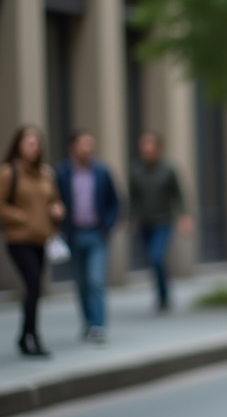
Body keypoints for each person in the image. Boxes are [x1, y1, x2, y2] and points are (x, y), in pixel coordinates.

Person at [0, 125, 66, 357]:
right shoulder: (7, 172)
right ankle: (33, 337)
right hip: (18, 239)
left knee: (35, 288)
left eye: (37, 143)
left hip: (41, 238)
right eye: (29, 143)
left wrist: (57, 209)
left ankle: (25, 336)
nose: (34, 147)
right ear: (18, 145)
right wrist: (20, 216)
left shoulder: (46, 173)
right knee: (33, 285)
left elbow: (55, 200)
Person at [56, 130, 120, 344]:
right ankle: (87, 322)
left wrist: (107, 227)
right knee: (81, 284)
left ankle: (98, 326)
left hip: (96, 234)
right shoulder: (62, 173)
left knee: (96, 281)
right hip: (73, 236)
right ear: (72, 147)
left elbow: (115, 202)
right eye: (84, 144)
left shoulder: (102, 172)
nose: (88, 148)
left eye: (90, 144)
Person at [129, 131, 192, 312]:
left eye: (150, 146)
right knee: (152, 259)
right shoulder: (136, 170)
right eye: (144, 146)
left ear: (158, 148)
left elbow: (177, 195)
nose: (146, 149)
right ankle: (161, 289)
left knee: (156, 256)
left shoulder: (168, 170)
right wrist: (130, 217)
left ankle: (163, 294)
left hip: (163, 221)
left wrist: (183, 216)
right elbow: (133, 198)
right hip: (144, 222)